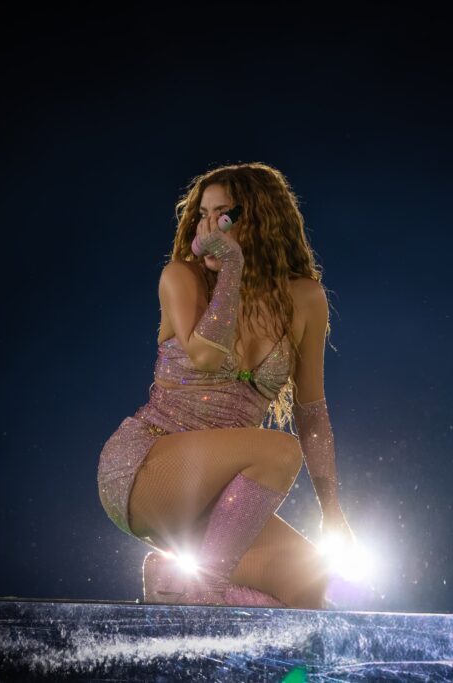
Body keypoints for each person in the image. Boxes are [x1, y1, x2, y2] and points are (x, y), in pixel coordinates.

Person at [96, 162, 356, 609]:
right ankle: (205, 586)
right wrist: (232, 265)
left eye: (223, 216)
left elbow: (311, 413)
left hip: (218, 496)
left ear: (260, 221)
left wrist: (331, 508)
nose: (206, 228)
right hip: (146, 468)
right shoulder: (182, 277)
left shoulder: (306, 299)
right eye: (202, 215)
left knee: (308, 585)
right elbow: (206, 355)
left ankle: (176, 591)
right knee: (280, 450)